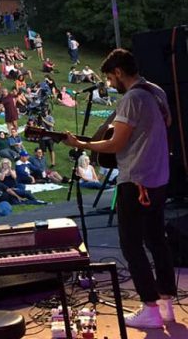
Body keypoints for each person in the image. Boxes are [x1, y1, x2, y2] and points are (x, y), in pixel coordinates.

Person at [65, 49, 179, 330]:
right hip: (159, 177)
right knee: (157, 241)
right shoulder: (155, 91)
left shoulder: (131, 98)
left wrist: (82, 145)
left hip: (135, 180)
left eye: (109, 77)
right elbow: (167, 124)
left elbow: (115, 144)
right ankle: (166, 307)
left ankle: (149, 308)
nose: (109, 83)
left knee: (131, 245)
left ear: (118, 72)